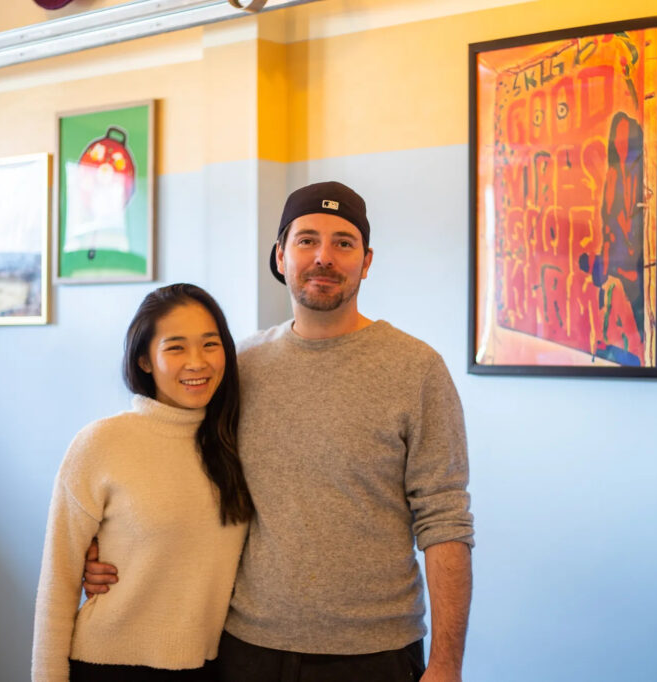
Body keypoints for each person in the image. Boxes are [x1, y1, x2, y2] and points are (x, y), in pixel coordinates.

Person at [86, 182, 474, 682]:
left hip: (378, 654)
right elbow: (174, 463)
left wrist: (447, 664)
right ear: (280, 255)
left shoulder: (417, 369)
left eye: (344, 243)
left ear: (367, 260)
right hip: (246, 650)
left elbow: (446, 521)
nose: (324, 257)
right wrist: (108, 549)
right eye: (307, 240)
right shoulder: (240, 366)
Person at [32, 283, 252, 682]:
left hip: (210, 667)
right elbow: (58, 582)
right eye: (175, 348)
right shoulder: (101, 443)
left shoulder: (234, 444)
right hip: (108, 664)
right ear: (145, 361)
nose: (197, 362)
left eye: (210, 344)